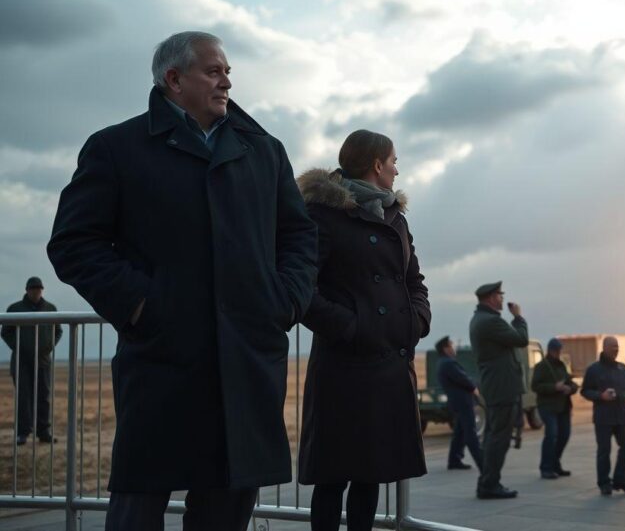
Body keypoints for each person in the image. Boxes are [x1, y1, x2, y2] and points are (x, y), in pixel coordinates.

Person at [47, 31, 318, 531]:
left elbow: (299, 237)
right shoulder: (116, 148)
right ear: (174, 79)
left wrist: (284, 302)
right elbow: (73, 243)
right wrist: (142, 305)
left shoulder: (264, 150)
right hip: (163, 357)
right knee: (139, 503)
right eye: (214, 71)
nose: (227, 82)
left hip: (247, 357)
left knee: (227, 507)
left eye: (228, 71)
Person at [296, 130, 431, 531]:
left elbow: (414, 280)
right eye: (393, 160)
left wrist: (416, 320)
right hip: (344, 366)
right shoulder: (323, 214)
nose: (396, 168)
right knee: (333, 478)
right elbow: (303, 288)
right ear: (376, 164)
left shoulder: (395, 217)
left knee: (370, 474)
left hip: (387, 364)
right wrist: (352, 327)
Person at [469, 281, 528, 500]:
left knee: (494, 437)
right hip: (502, 388)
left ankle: (487, 481)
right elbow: (521, 339)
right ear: (491, 298)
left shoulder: (481, 319)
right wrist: (519, 317)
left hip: (496, 387)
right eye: (500, 295)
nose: (502, 299)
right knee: (498, 439)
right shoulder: (490, 321)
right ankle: (489, 484)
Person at [2, 277, 62, 445]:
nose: (36, 291)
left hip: (43, 361)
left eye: (39, 288)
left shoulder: (51, 309)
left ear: (42, 290)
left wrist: (49, 345)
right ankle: (23, 433)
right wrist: (19, 346)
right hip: (21, 362)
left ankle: (44, 432)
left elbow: (58, 331)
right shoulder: (14, 309)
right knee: (23, 398)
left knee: (44, 397)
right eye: (33, 288)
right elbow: (6, 332)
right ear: (27, 290)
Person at [581, 336, 625, 496]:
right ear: (604, 347)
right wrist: (601, 396)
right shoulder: (594, 369)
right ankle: (604, 483)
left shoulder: (623, 368)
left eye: (617, 347)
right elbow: (585, 391)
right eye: (612, 346)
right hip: (603, 417)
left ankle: (620, 480)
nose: (615, 349)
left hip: (621, 416)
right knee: (604, 450)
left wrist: (624, 395)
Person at [530, 337, 577, 479]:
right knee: (551, 435)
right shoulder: (542, 367)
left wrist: (570, 388)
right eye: (555, 350)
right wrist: (554, 387)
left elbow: (571, 382)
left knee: (564, 435)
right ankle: (546, 467)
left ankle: (555, 463)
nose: (557, 353)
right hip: (547, 407)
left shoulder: (561, 366)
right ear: (549, 351)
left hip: (563, 406)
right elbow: (535, 386)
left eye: (559, 350)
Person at [435, 336, 482, 471]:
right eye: (451, 346)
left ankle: (454, 460)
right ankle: (482, 461)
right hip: (463, 402)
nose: (453, 348)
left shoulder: (443, 362)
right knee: (470, 433)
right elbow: (464, 379)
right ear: (445, 349)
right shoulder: (448, 363)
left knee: (459, 433)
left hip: (458, 402)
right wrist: (474, 387)